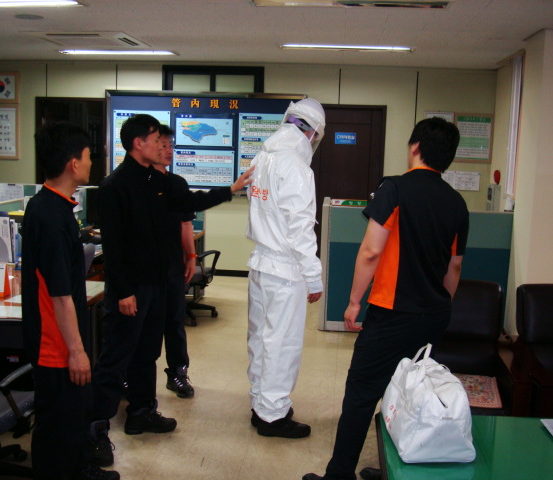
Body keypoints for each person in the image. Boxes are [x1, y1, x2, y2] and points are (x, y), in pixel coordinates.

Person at [303, 117, 469, 480]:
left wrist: (353, 302)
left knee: (362, 393)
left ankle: (339, 475)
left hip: (392, 314)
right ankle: (397, 470)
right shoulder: (457, 203)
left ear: (415, 147)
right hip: (434, 315)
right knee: (412, 390)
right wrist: (440, 306)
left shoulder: (394, 188)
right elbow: (454, 268)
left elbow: (371, 252)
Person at [91, 114, 253, 467]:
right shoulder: (115, 186)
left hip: (159, 284)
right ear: (138, 144)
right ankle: (96, 430)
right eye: (155, 139)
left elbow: (190, 202)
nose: (162, 145)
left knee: (147, 352)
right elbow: (114, 247)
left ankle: (141, 413)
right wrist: (123, 292)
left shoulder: (159, 181)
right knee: (115, 358)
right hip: (131, 288)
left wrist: (230, 190)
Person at [22, 122, 120, 480]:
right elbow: (60, 294)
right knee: (58, 420)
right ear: (72, 164)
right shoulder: (49, 216)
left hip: (62, 335)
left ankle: (81, 468)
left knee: (75, 410)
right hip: (55, 342)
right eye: (88, 156)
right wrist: (77, 351)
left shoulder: (55, 207)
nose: (91, 162)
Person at [246, 98, 325, 439]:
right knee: (282, 343)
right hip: (285, 269)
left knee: (261, 338)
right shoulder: (295, 165)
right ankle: (273, 414)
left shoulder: (263, 156)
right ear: (312, 133)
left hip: (261, 263)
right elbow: (300, 227)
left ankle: (261, 403)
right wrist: (313, 276)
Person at [156, 124, 196, 398]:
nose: (169, 150)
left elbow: (185, 224)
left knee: (175, 323)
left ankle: (178, 374)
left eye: (171, 145)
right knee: (142, 326)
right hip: (144, 268)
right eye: (163, 145)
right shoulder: (135, 183)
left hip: (172, 265)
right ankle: (129, 377)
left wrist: (191, 255)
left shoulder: (177, 184)